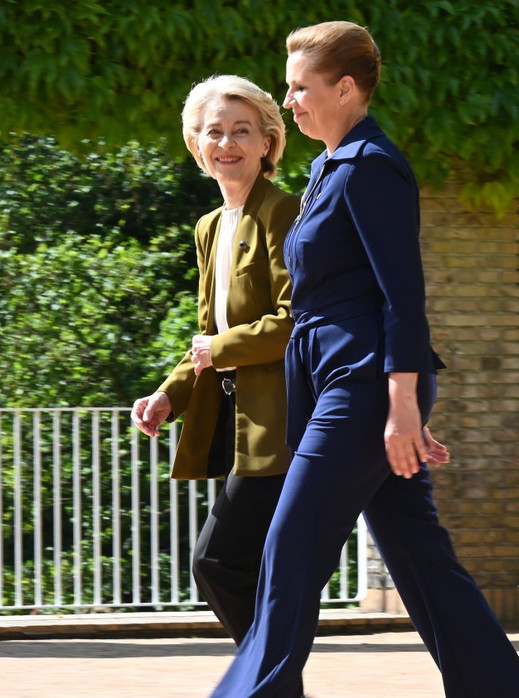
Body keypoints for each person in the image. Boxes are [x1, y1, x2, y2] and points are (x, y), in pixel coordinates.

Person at [210, 22, 519, 698]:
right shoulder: (330, 166)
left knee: (291, 547)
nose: (290, 100)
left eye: (301, 88)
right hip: (342, 381)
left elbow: (403, 293)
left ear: (346, 88)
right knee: (420, 559)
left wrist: (399, 404)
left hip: (360, 386)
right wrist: (405, 405)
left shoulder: (370, 166)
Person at [130, 74, 451, 651]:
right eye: (214, 132)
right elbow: (211, 331)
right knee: (400, 554)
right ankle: (273, 679)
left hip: (292, 415)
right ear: (196, 145)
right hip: (243, 423)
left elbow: (294, 318)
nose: (226, 142)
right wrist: (170, 394)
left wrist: (402, 403)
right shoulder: (209, 227)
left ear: (267, 143)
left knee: (222, 562)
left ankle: (267, 681)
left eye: (242, 131)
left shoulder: (285, 212)